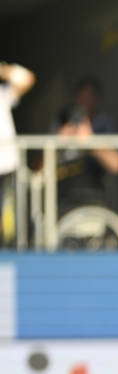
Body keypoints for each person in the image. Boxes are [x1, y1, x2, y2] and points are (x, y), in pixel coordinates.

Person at [53, 77, 118, 212]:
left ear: (97, 100)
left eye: (89, 97)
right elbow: (37, 169)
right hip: (60, 200)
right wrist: (58, 142)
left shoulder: (103, 125)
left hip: (93, 201)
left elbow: (117, 164)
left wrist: (90, 142)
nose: (84, 102)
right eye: (81, 97)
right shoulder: (61, 122)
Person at [0, 61, 34, 245]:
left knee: (8, 222)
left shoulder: (2, 95)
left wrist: (3, 70)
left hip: (6, 167)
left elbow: (27, 79)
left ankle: (8, 251)